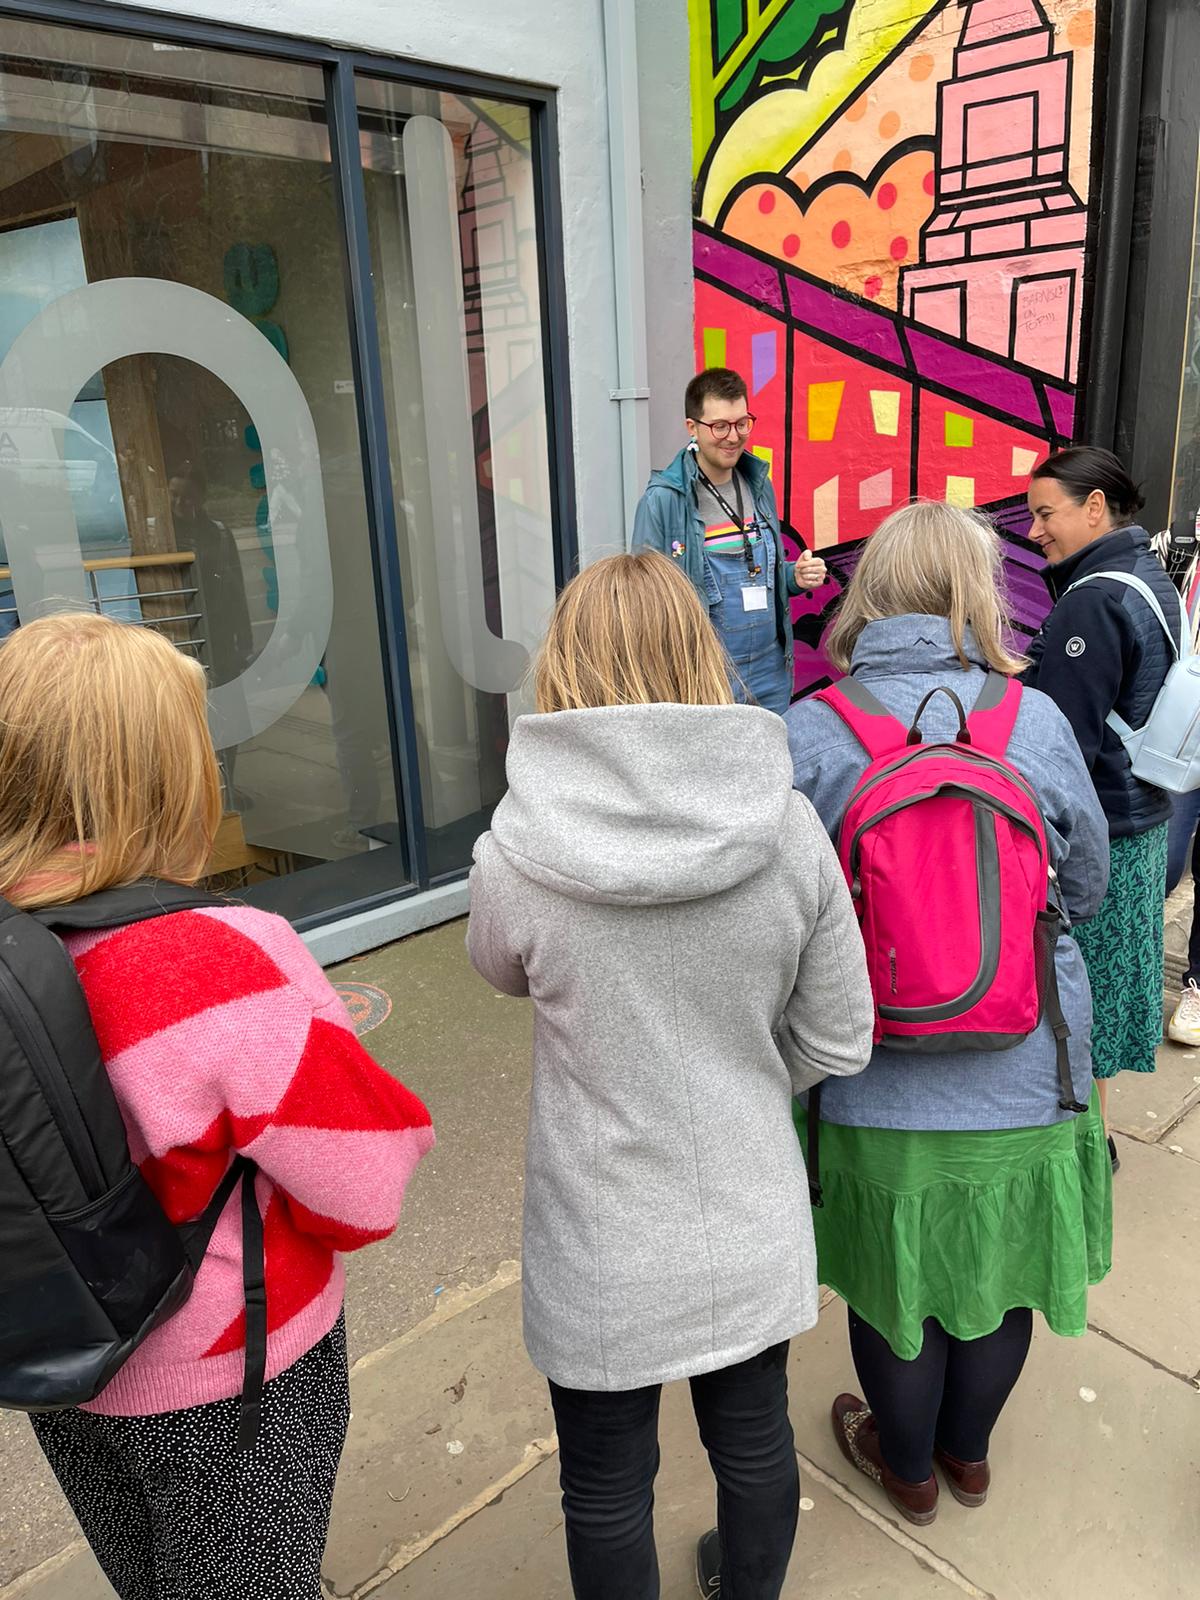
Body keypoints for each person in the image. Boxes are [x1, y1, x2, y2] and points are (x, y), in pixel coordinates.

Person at [0, 611, 434, 1600]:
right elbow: (364, 1184)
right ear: (165, 773)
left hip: (55, 1364)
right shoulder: (218, 958)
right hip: (231, 1381)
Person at [466, 550, 873, 1600]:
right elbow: (840, 1034)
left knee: (604, 1486)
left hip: (598, 1231)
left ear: (564, 666)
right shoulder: (788, 828)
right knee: (753, 1441)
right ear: (701, 651)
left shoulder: (515, 853)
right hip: (747, 1211)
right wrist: (741, 1077)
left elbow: (500, 972)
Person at [786, 502, 1112, 1527]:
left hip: (870, 1076)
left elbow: (785, 915)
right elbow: (1089, 885)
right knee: (999, 1280)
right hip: (1027, 1067)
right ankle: (967, 1458)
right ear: (981, 591)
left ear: (867, 593)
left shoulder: (813, 729)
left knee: (895, 1293)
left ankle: (910, 1466)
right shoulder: (1036, 720)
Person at [1023, 447, 1177, 1166]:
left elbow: (1061, 748)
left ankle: (1082, 1151)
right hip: (1142, 820)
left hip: (1100, 834)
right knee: (1108, 995)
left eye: (1044, 513)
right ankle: (1094, 1139)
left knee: (1077, 1001)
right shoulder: (1151, 579)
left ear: (1093, 508)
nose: (1033, 532)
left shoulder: (1091, 600)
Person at [631, 366, 826, 715]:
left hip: (771, 672)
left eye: (742, 423)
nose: (733, 436)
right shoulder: (663, 500)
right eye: (719, 425)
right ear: (692, 427)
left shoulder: (758, 484)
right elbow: (642, 599)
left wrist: (793, 576)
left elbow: (759, 572)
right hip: (707, 676)